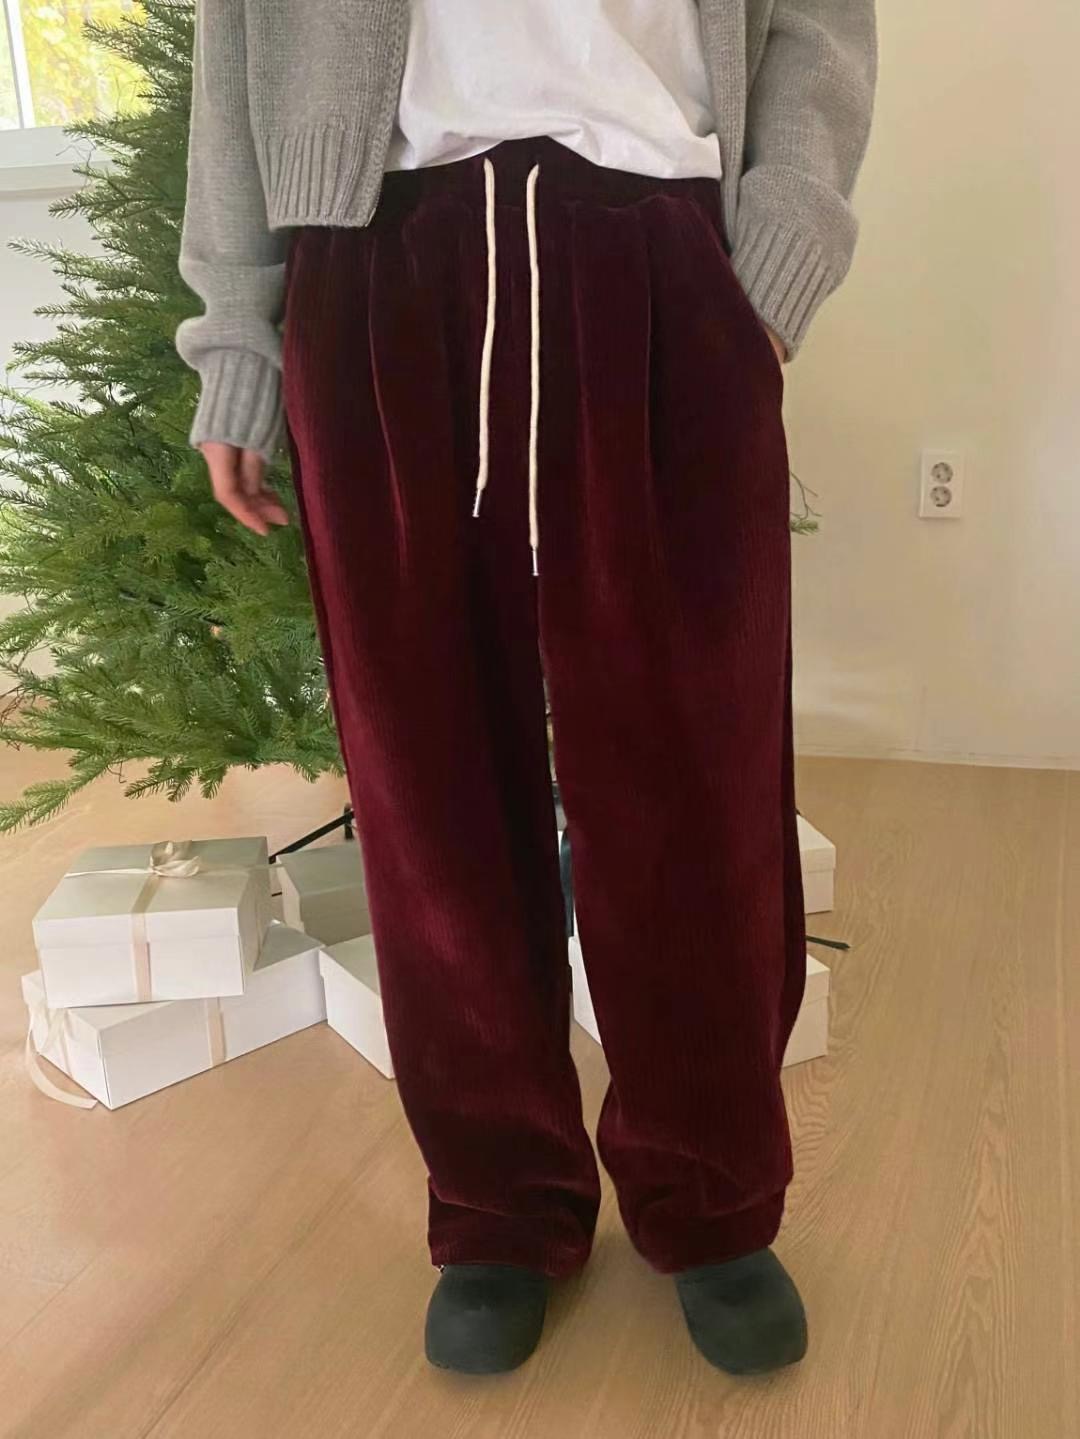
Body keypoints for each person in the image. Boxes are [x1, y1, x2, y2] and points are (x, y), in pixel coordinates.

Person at [177, 0, 877, 1378]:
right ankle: (500, 1206)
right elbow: (235, 39)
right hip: (377, 257)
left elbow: (818, 23)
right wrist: (238, 335)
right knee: (428, 779)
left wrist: (775, 255)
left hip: (662, 246)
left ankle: (711, 1195)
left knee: (696, 771)